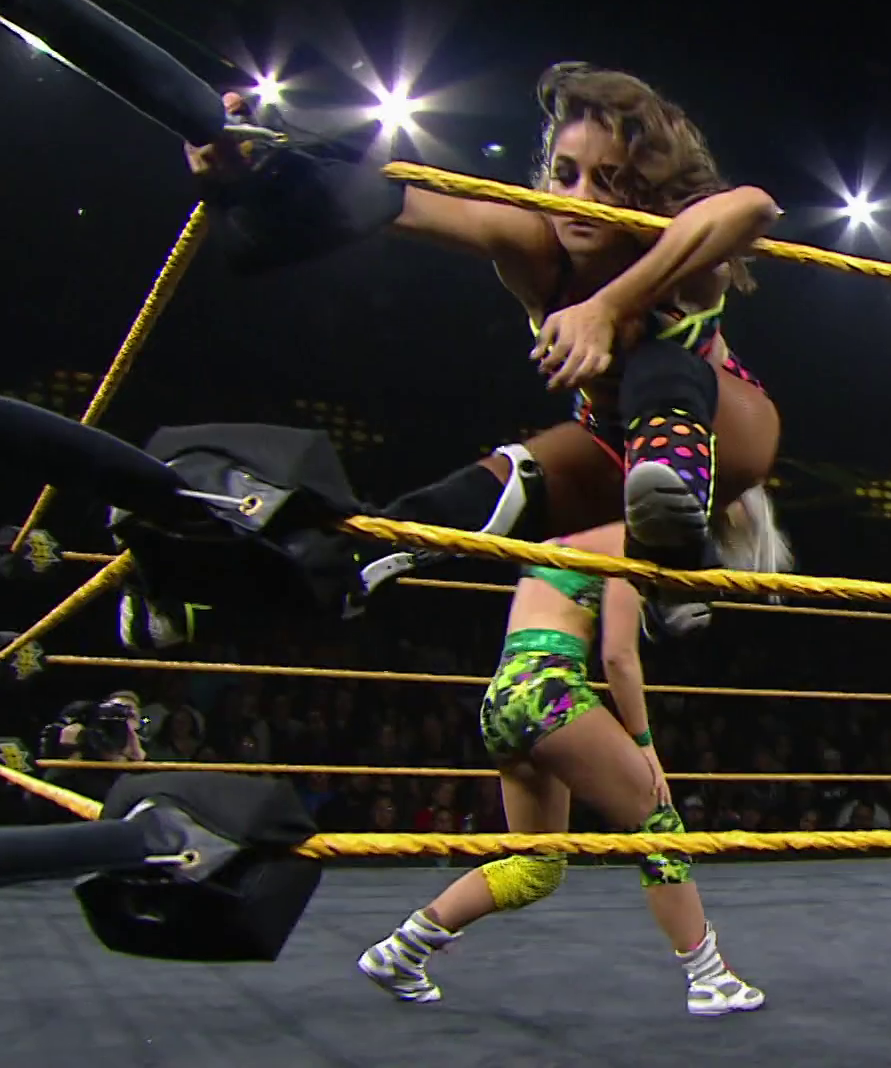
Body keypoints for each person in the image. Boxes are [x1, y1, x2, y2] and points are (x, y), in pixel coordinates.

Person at [173, 62, 785, 630]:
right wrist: (254, 168)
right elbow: (396, 200)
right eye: (565, 175)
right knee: (447, 507)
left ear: (647, 191)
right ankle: (211, 596)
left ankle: (673, 548)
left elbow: (754, 206)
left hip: (723, 427)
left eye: (609, 181)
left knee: (660, 361)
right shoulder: (534, 243)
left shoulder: (677, 253)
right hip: (607, 444)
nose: (580, 200)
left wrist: (608, 308)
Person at [356, 522, 763, 1015]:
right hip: (550, 688)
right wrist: (645, 745)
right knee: (657, 824)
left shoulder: (565, 538)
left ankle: (402, 950)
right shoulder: (629, 538)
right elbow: (618, 656)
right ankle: (710, 979)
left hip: (503, 696)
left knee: (537, 866)